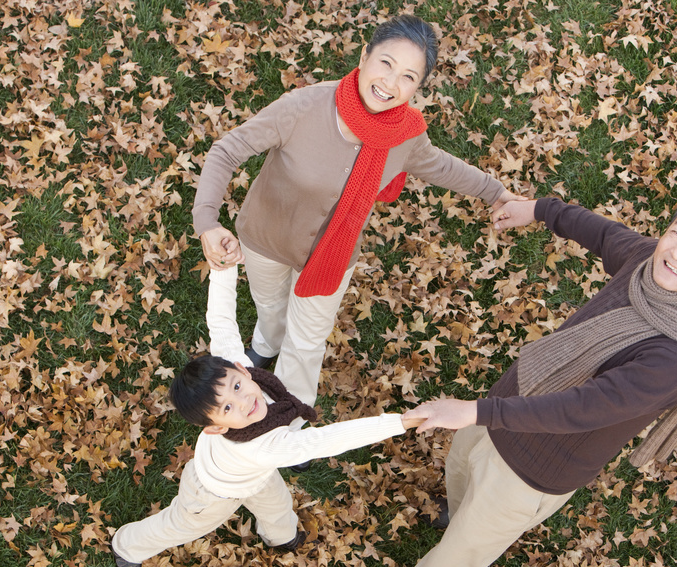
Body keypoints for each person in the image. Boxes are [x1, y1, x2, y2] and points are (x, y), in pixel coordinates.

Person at [351, 190, 677, 567]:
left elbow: (579, 408)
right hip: (504, 407)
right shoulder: (645, 263)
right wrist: (540, 210)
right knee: (460, 469)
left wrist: (474, 410)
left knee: (458, 557)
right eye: (676, 233)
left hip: (536, 467)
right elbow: (603, 233)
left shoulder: (674, 358)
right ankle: (456, 510)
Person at [192, 14, 524, 410]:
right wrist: (206, 222)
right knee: (270, 305)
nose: (390, 83)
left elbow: (443, 167)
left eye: (408, 76)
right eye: (386, 63)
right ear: (365, 55)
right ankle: (265, 343)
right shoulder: (303, 107)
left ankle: (291, 416)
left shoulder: (406, 137)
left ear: (418, 86)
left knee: (308, 340)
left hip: (332, 257)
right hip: (266, 237)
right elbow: (226, 150)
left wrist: (497, 193)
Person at [110, 264, 425, 567]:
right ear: (216, 428)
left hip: (254, 475)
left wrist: (224, 267)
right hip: (213, 492)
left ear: (241, 370)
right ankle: (126, 546)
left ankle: (281, 537)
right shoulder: (267, 446)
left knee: (277, 506)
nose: (245, 400)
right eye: (228, 408)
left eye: (236, 387)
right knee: (181, 526)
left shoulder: (241, 369)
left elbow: (221, 322)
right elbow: (329, 440)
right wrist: (398, 423)